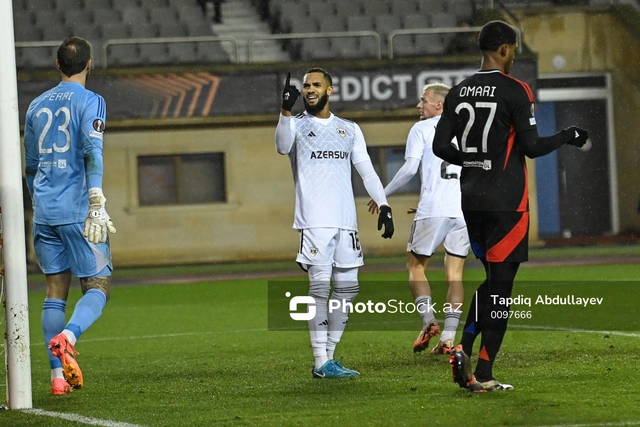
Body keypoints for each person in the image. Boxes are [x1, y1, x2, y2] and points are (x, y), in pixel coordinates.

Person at [432, 20, 589, 392]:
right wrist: (569, 135)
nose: (514, 55)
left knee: (492, 281)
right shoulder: (516, 90)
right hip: (507, 203)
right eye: (513, 49)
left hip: (472, 201)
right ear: (503, 49)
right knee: (501, 290)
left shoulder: (459, 91)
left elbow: (441, 147)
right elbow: (532, 147)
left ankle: (465, 350)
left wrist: (471, 161)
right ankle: (483, 374)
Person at [275, 68, 394, 379]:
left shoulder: (349, 129)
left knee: (347, 289)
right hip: (315, 221)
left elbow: (366, 171)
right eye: (306, 85)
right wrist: (285, 111)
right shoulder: (297, 125)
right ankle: (319, 361)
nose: (310, 89)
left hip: (346, 222)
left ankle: (329, 356)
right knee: (319, 288)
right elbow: (281, 146)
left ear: (330, 90)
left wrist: (384, 204)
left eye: (316, 84)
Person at [24, 36, 116, 395]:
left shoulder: (35, 106)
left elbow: (31, 165)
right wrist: (96, 200)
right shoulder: (91, 101)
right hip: (78, 211)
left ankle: (57, 379)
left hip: (44, 211)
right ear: (89, 64)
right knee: (98, 286)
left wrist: (40, 201)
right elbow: (94, 151)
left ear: (58, 65)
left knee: (54, 291)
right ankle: (67, 336)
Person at [368, 83, 468, 355]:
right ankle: (448, 339)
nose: (418, 105)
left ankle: (428, 322)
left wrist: (382, 194)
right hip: (462, 211)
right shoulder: (467, 129)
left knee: (415, 267)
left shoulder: (422, 129)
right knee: (455, 275)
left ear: (439, 105)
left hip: (433, 209)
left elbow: (411, 167)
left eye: (423, 100)